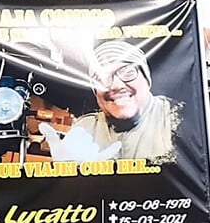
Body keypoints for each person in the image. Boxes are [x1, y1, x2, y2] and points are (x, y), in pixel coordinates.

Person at [39, 40, 180, 164]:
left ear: (147, 79)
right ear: (95, 91)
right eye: (102, 78)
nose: (116, 85)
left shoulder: (178, 118)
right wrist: (66, 171)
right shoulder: (84, 128)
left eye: (128, 72)